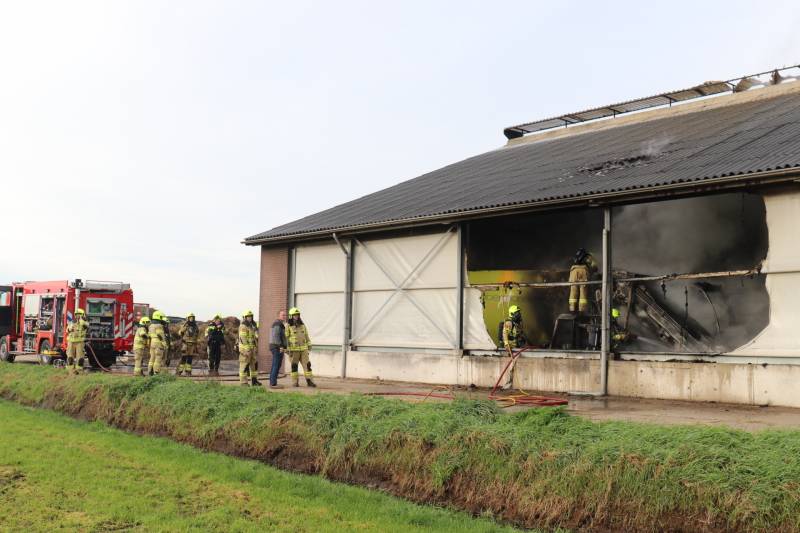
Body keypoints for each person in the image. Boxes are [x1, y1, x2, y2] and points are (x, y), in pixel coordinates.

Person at [286, 307, 316, 387]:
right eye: (294, 315)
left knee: (307, 365)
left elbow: (306, 336)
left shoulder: (302, 325)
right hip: (293, 351)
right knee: (294, 367)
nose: (296, 316)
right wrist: (287, 350)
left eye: (297, 315)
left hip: (303, 350)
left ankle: (310, 381)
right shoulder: (287, 326)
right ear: (291, 316)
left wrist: (309, 345)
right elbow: (285, 338)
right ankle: (295, 382)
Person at [568, 248, 598, 314]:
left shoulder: (576, 256)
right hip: (583, 271)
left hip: (573, 271)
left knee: (573, 291)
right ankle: (582, 310)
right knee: (583, 292)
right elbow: (594, 267)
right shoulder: (589, 256)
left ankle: (572, 309)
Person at [237, 310, 260, 386]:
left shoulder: (252, 326)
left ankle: (254, 381)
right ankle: (243, 383)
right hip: (245, 350)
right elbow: (243, 338)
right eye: (248, 317)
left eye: (251, 316)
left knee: (254, 365)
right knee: (244, 365)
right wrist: (247, 349)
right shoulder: (243, 326)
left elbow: (254, 337)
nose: (250, 318)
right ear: (245, 318)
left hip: (252, 349)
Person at [65, 308, 89, 374]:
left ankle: (79, 370)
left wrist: (82, 321)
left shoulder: (85, 322)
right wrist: (70, 328)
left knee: (80, 357)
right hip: (71, 341)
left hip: (80, 342)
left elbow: (86, 326)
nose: (77, 316)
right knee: (70, 357)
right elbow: (67, 330)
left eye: (79, 314)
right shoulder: (72, 322)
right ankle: (71, 371)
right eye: (76, 314)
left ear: (82, 315)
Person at [268, 310, 287, 388]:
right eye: (283, 315)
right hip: (277, 347)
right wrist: (281, 347)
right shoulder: (277, 324)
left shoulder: (280, 324)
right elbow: (276, 336)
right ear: (278, 316)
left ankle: (273, 382)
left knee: (276, 364)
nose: (284, 316)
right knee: (276, 365)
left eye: (285, 315)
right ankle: (273, 383)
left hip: (276, 347)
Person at [147, 310, 167, 375]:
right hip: (158, 343)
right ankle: (156, 372)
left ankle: (150, 372)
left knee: (152, 358)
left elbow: (149, 335)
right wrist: (164, 342)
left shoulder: (151, 325)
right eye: (161, 317)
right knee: (158, 358)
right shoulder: (159, 325)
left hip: (152, 343)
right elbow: (159, 334)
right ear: (159, 317)